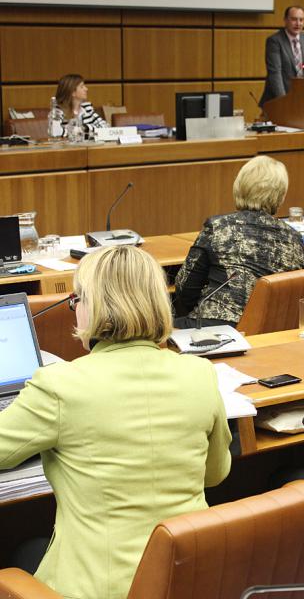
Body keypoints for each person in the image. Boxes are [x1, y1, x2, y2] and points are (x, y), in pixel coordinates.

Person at [0, 246, 231, 598]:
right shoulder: (200, 373)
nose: (75, 309)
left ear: (93, 305)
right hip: (189, 577)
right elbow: (215, 473)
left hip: (101, 588)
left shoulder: (60, 384)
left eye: (77, 299)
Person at [174, 155, 304, 329]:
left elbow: (185, 288)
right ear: (280, 195)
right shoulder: (294, 238)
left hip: (215, 327)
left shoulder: (218, 227)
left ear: (239, 187)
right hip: (268, 330)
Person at [259, 5, 304, 107]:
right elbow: (275, 74)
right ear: (285, 20)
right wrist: (284, 102)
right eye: (294, 19)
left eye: (301, 20)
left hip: (302, 100)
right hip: (278, 101)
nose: (298, 24)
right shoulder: (275, 41)